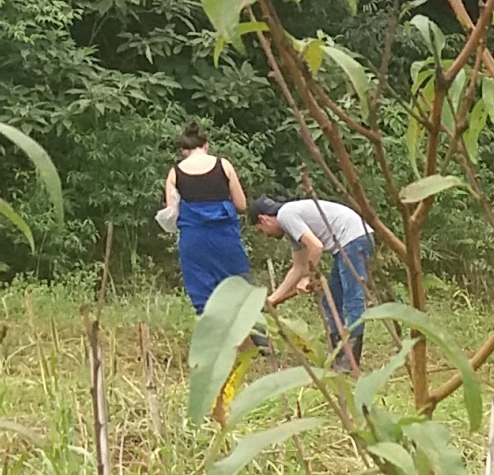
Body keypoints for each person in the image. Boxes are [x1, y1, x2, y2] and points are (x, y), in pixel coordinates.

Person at [252, 194, 375, 372]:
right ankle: (339, 353)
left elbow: (316, 247)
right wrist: (272, 300)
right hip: (348, 242)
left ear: (263, 219)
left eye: (261, 230)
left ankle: (349, 362)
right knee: (330, 301)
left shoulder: (286, 214)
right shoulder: (292, 226)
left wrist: (307, 278)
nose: (265, 235)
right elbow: (298, 268)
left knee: (352, 298)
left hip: (353, 239)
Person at [159, 124, 252, 315]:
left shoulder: (175, 173)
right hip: (225, 238)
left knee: (204, 296)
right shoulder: (223, 165)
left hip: (194, 241)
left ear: (183, 150)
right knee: (238, 290)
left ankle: (211, 330)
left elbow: (171, 213)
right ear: (206, 145)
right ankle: (251, 332)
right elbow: (241, 204)